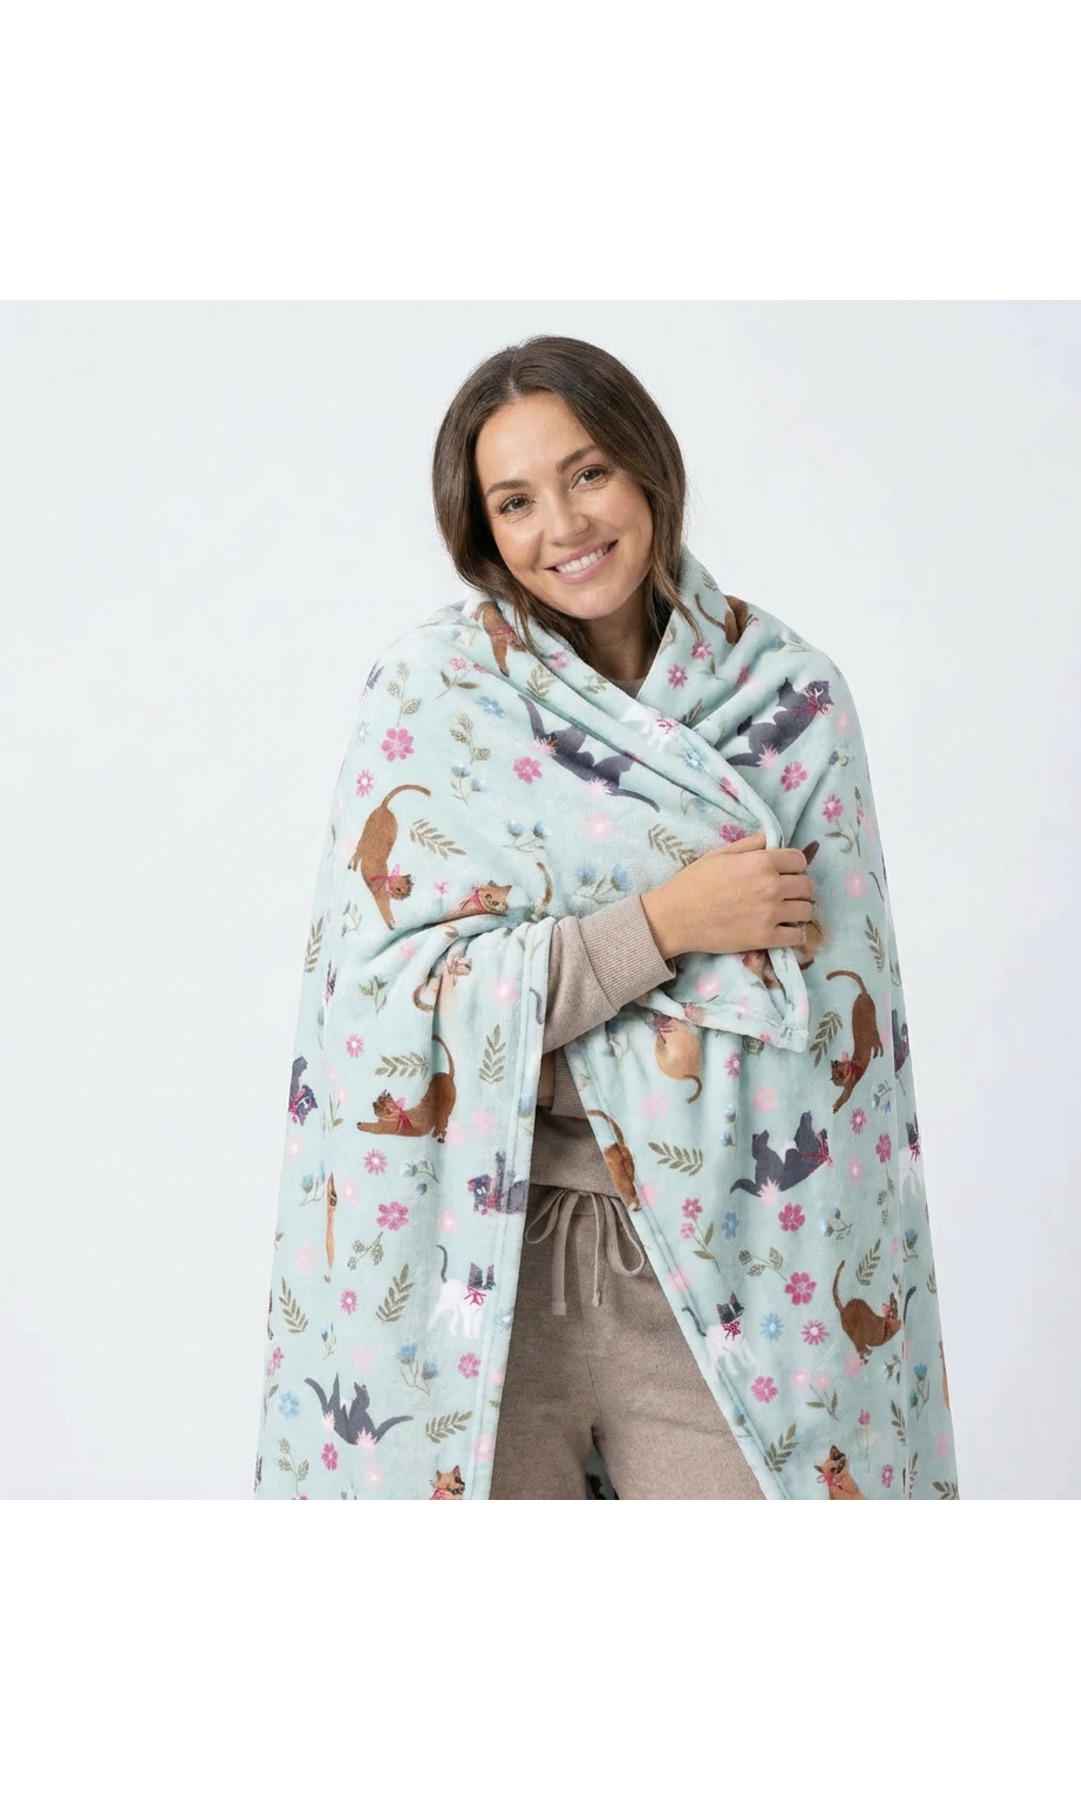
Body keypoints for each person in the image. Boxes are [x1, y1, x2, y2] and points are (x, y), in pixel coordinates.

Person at [252, 333, 958, 1502]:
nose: (564, 526)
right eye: (515, 502)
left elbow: (827, 1032)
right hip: (476, 1264)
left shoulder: (789, 702)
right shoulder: (435, 699)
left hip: (743, 1262)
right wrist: (671, 923)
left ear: (647, 467)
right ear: (481, 531)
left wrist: (543, 972)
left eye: (587, 474)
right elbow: (376, 1016)